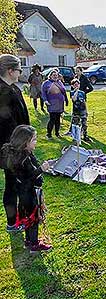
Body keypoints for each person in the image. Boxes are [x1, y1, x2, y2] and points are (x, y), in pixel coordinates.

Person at [1, 125, 52, 252]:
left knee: (29, 218)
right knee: (33, 218)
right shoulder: (23, 159)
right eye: (34, 139)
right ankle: (33, 244)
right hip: (28, 194)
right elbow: (28, 178)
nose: (36, 141)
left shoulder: (23, 154)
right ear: (25, 142)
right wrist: (41, 169)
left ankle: (29, 240)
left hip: (23, 193)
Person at [0, 54, 30, 233]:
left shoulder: (13, 88)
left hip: (19, 146)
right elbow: (8, 126)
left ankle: (19, 218)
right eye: (19, 69)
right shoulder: (3, 92)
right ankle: (13, 222)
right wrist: (21, 146)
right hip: (11, 149)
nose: (20, 72)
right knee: (13, 184)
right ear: (10, 71)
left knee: (17, 183)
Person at [41, 68, 68, 139]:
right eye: (54, 75)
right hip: (52, 103)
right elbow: (43, 93)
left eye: (56, 75)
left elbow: (64, 91)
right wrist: (45, 100)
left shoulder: (60, 82)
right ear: (50, 76)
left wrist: (66, 100)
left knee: (58, 119)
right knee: (52, 119)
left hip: (60, 103)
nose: (55, 76)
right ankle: (49, 134)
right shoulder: (46, 83)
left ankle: (57, 133)